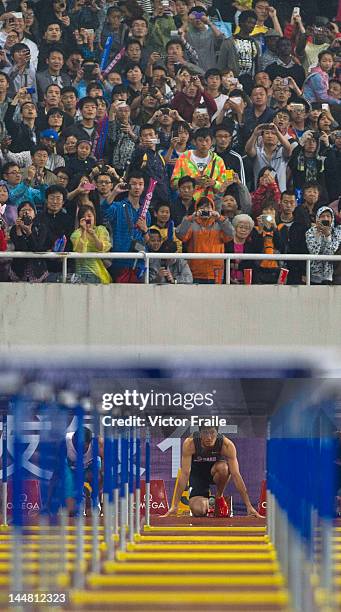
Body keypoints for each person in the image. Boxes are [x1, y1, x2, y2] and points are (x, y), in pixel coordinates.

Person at [164, 425, 262, 518]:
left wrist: (248, 506)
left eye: (212, 433)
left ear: (217, 433)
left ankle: (219, 497)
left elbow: (236, 475)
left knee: (224, 468)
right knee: (199, 510)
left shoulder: (226, 445)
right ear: (199, 433)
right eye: (205, 433)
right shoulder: (190, 443)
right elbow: (185, 474)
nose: (209, 437)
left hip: (215, 472)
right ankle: (208, 503)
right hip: (198, 475)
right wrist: (175, 506)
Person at [176, 195, 233, 283]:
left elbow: (231, 234)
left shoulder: (219, 224)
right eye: (202, 208)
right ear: (197, 210)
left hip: (216, 272)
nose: (205, 210)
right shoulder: (191, 223)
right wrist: (191, 217)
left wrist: (220, 218)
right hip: (195, 271)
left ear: (213, 209)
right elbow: (180, 235)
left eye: (208, 208)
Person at [70, 205, 112, 284]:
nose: (87, 219)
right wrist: (84, 231)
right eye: (84, 217)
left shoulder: (101, 230)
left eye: (89, 216)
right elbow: (80, 250)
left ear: (94, 217)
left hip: (97, 273)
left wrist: (94, 235)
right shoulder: (76, 234)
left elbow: (102, 248)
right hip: (81, 273)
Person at [305, 206, 341, 284]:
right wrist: (318, 234)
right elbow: (313, 252)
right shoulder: (310, 232)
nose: (325, 219)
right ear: (317, 218)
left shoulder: (336, 232)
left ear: (332, 218)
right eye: (322, 216)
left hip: (330, 276)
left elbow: (330, 253)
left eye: (328, 216)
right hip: (313, 275)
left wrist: (327, 235)